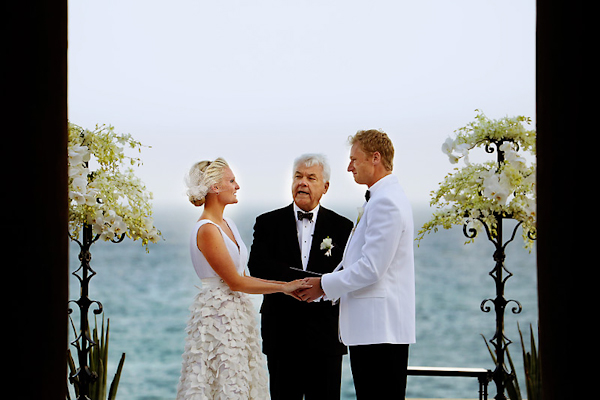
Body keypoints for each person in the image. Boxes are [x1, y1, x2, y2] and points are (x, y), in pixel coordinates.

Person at [176, 157, 311, 400]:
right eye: (231, 180)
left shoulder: (227, 223)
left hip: (237, 314)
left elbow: (244, 277)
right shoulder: (207, 229)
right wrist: (284, 287)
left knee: (242, 380)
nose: (237, 186)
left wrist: (283, 286)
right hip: (217, 317)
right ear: (215, 187)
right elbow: (236, 282)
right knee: (224, 382)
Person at [298, 131, 416, 399]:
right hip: (375, 329)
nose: (349, 166)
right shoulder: (382, 197)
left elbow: (372, 268)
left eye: (354, 159)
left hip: (379, 330)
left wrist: (323, 285)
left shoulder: (386, 201)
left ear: (375, 158)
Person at [248, 154, 354, 400]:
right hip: (281, 334)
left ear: (325, 187)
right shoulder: (267, 223)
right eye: (298, 176)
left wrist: (321, 284)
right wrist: (297, 283)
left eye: (310, 177)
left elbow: (347, 273)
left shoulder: (342, 227)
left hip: (325, 335)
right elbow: (257, 267)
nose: (302, 182)